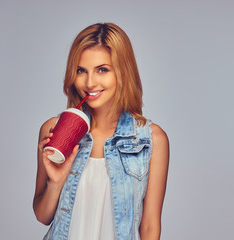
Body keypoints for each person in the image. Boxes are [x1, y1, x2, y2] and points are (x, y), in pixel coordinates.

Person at [33, 22, 169, 240]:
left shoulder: (151, 139)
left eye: (102, 70)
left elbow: (150, 227)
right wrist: (55, 182)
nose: (89, 82)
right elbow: (42, 215)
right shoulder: (53, 130)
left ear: (123, 72)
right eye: (81, 71)